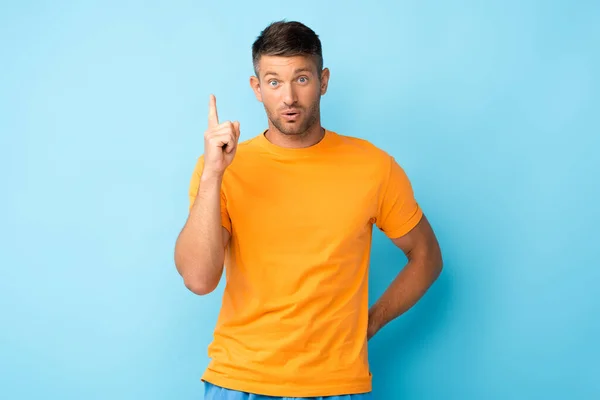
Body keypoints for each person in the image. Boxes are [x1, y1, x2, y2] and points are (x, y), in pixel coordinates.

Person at [174, 20, 443, 400]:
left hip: (334, 385)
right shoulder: (221, 169)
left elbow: (426, 256)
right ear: (256, 88)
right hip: (239, 381)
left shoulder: (373, 167)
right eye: (273, 81)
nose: (288, 97)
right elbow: (199, 280)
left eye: (301, 79)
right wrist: (212, 176)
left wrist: (369, 323)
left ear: (324, 80)